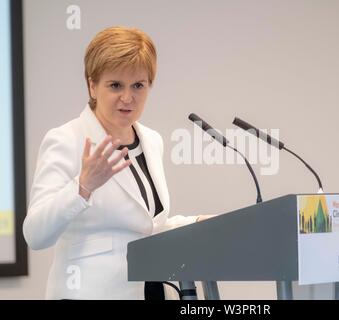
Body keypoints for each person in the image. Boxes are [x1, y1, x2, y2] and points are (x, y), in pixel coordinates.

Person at [23, 26, 210, 300]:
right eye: (115, 85)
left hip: (150, 291)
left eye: (138, 85)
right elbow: (35, 234)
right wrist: (83, 186)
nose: (128, 97)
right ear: (92, 85)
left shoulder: (151, 141)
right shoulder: (67, 140)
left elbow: (145, 228)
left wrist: (197, 223)